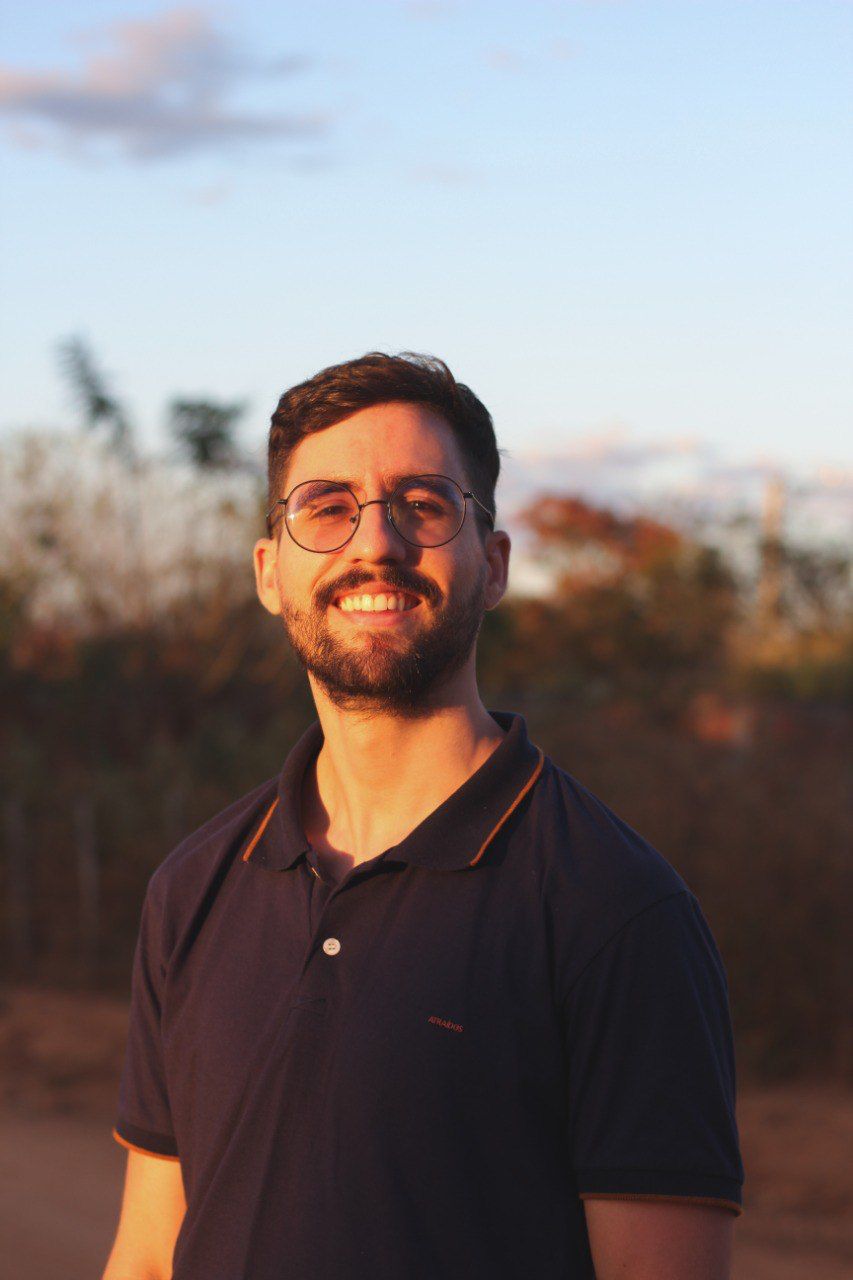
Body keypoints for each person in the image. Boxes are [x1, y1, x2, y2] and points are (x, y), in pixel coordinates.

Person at [102, 352, 744, 1280]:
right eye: (325, 506)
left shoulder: (615, 910)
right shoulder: (193, 886)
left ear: (491, 565)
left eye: (423, 503)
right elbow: (149, 1256)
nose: (374, 544)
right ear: (269, 571)